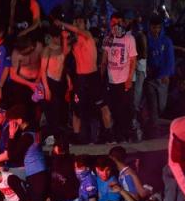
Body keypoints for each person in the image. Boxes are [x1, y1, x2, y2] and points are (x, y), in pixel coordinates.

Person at [56, 15, 114, 143]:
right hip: (80, 79)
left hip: (93, 77)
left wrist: (62, 23)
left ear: (85, 23)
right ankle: (77, 137)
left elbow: (77, 31)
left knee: (102, 106)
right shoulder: (74, 41)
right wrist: (65, 38)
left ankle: (109, 135)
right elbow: (65, 52)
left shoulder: (87, 34)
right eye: (76, 20)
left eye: (80, 20)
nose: (77, 22)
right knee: (77, 109)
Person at [102, 13, 138, 142]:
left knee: (125, 109)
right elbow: (104, 58)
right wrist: (101, 76)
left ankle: (126, 134)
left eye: (117, 22)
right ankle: (117, 135)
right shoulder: (108, 38)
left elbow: (133, 60)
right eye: (112, 22)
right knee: (115, 109)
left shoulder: (129, 39)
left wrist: (129, 79)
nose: (115, 25)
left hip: (124, 80)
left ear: (122, 22)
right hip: (111, 80)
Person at [144, 14, 174, 137]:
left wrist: (167, 74)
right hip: (149, 79)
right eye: (153, 27)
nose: (155, 30)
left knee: (162, 106)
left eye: (158, 27)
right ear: (149, 27)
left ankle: (148, 121)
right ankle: (153, 131)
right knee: (153, 105)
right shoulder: (145, 39)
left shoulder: (166, 41)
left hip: (162, 78)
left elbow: (170, 59)